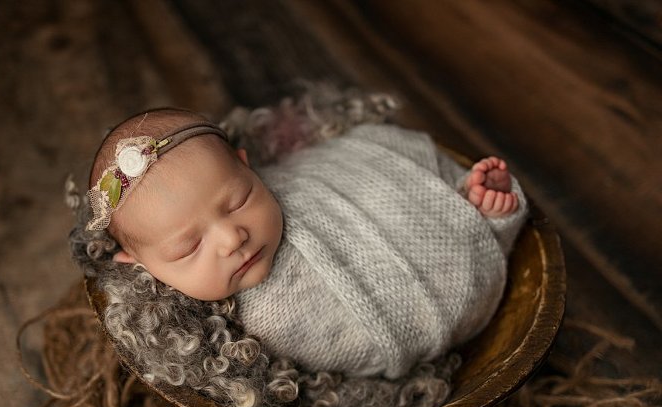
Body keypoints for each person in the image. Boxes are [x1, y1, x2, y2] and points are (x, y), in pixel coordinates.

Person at [87, 107, 527, 379]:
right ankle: (482, 224)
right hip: (433, 303)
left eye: (239, 199)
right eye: (188, 248)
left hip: (417, 196)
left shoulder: (290, 179)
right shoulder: (251, 331)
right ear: (138, 265)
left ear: (250, 166)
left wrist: (472, 210)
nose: (231, 237)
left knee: (409, 168)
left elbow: (351, 165)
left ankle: (478, 207)